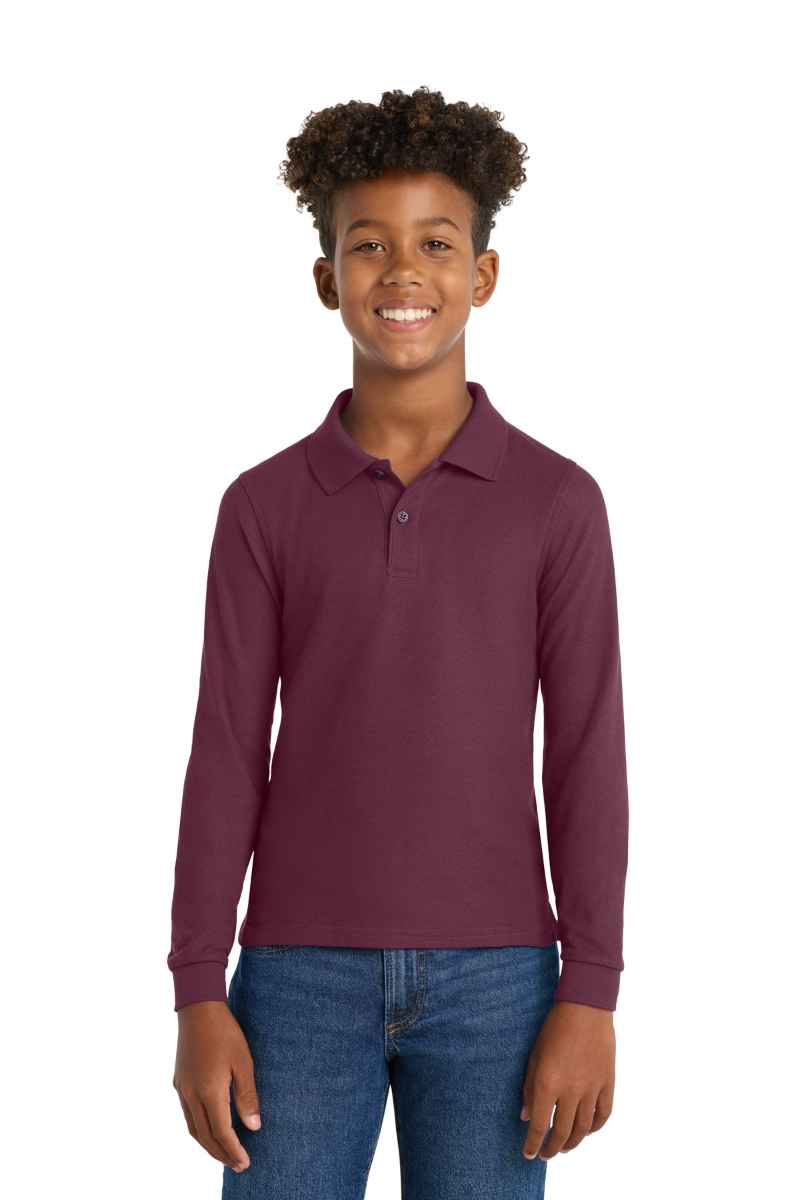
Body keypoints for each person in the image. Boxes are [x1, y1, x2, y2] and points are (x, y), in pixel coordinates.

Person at [168, 85, 629, 1200]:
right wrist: (197, 988)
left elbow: (584, 754)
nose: (402, 272)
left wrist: (591, 990)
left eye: (436, 243)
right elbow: (225, 750)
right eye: (368, 244)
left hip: (500, 983)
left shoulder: (556, 502)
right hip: (293, 980)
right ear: (326, 277)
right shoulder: (263, 506)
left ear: (484, 274)